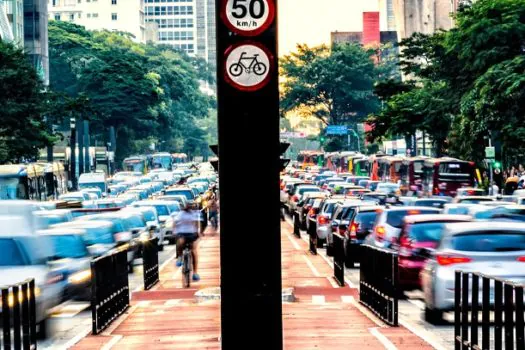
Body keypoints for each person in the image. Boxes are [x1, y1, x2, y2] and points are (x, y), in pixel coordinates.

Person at [173, 202, 201, 281]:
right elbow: (175, 222)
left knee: (194, 251)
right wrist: (174, 231)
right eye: (188, 205)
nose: (190, 207)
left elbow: (197, 223)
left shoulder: (195, 213)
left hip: (192, 233)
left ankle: (195, 273)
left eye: (191, 206)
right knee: (180, 242)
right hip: (182, 233)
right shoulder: (181, 214)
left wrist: (198, 231)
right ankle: (180, 257)